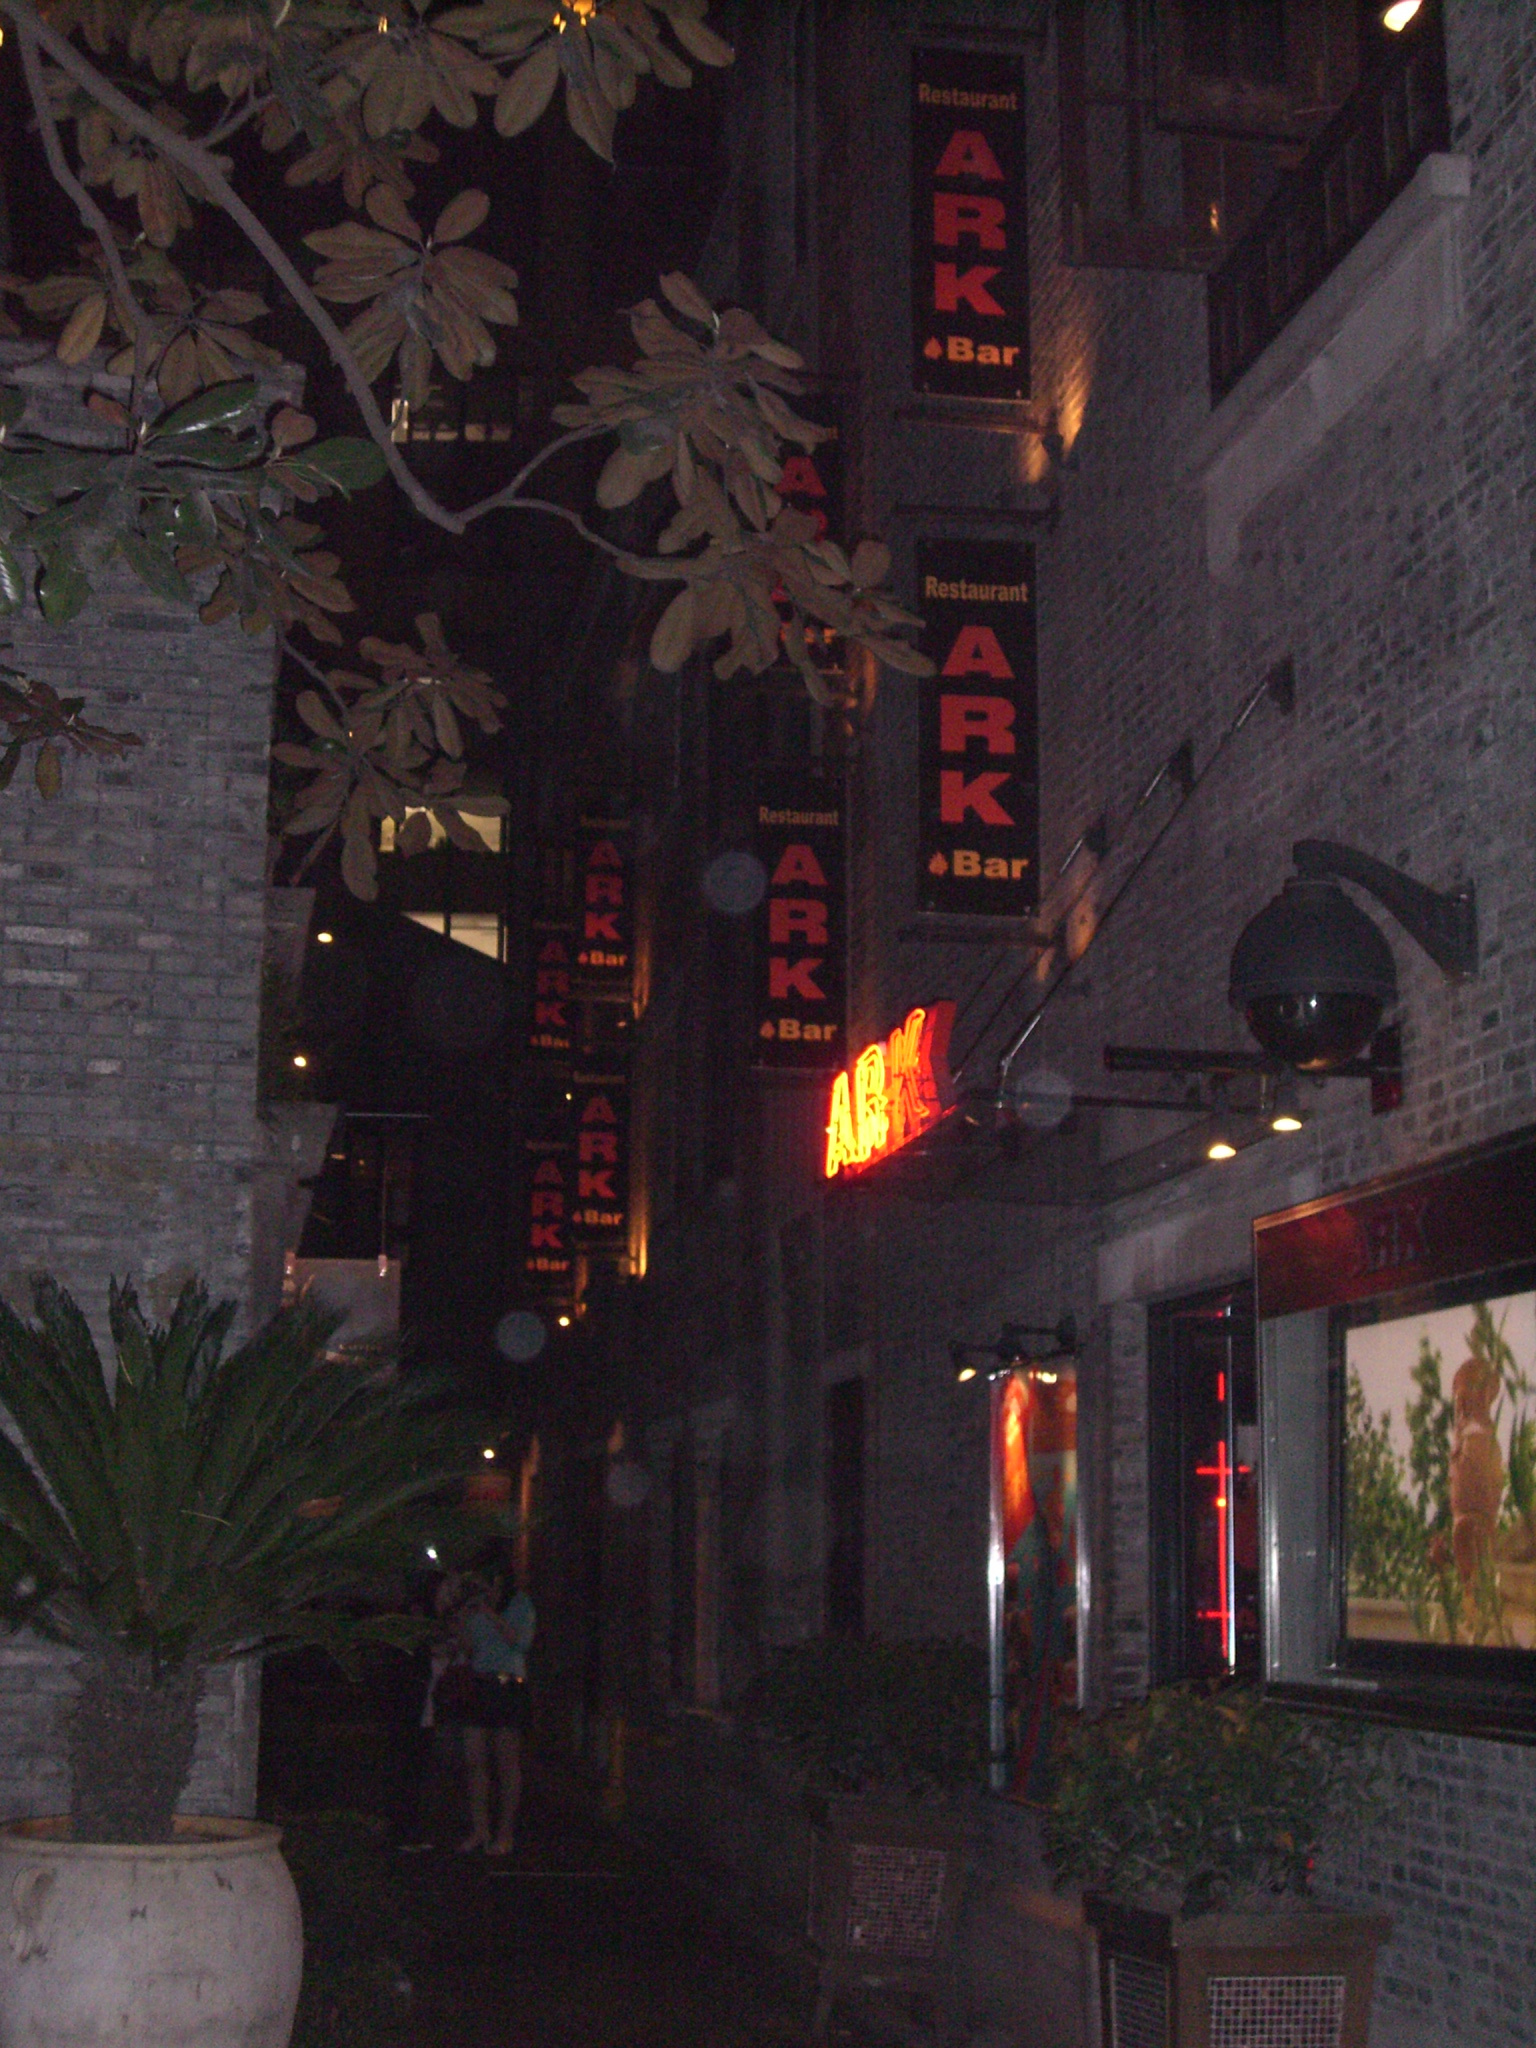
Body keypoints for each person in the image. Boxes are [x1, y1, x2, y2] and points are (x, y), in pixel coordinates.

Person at [457, 1554, 535, 1857]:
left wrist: (490, 1613)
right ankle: (480, 1829)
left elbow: (520, 1642)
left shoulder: (520, 1604)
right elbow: (469, 1648)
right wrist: (463, 1620)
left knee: (506, 1762)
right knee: (474, 1760)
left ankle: (505, 1833)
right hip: (480, 1684)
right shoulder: (476, 1607)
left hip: (508, 1686)